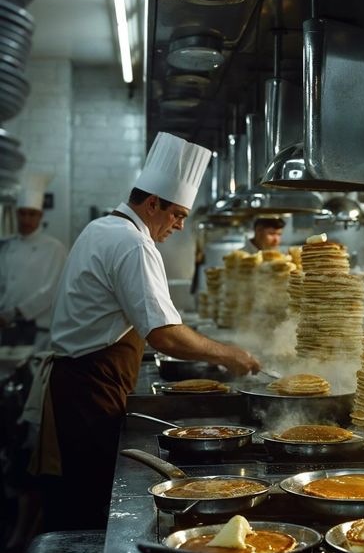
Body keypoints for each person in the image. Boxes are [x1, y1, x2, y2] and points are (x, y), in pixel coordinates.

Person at [30, 132, 261, 531]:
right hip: (89, 392)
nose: (180, 225)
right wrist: (229, 354)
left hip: (78, 386)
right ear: (153, 202)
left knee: (78, 497)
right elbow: (165, 336)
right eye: (177, 214)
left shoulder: (103, 227)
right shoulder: (133, 243)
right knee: (88, 506)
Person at [0, 176, 67, 348]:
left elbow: (52, 291)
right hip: (6, 327)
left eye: (32, 214)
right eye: (22, 213)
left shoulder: (54, 248)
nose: (26, 219)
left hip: (38, 330)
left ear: (40, 215)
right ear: (17, 214)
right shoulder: (8, 246)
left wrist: (17, 311)